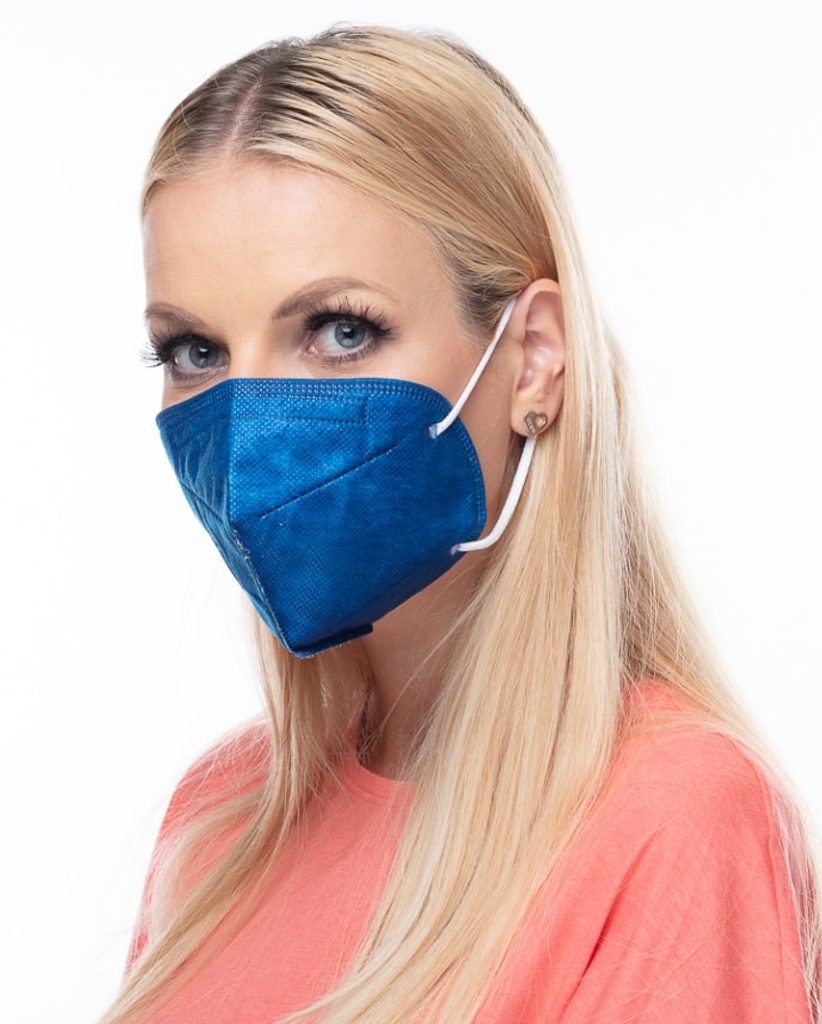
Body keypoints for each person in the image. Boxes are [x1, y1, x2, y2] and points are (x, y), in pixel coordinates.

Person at [102, 22, 820, 1024]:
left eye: (338, 330)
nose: (250, 425)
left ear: (534, 360)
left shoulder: (672, 816)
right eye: (194, 350)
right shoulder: (218, 821)